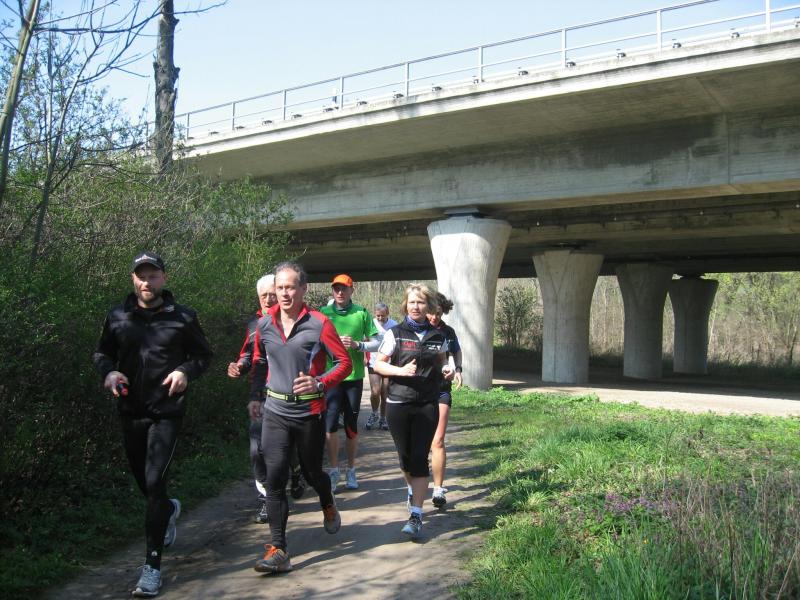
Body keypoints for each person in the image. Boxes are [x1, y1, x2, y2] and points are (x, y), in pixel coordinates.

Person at [92, 252, 213, 597]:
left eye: (153, 275)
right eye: (141, 276)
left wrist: (184, 371)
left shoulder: (183, 317)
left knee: (155, 482)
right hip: (130, 412)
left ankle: (152, 568)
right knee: (146, 485)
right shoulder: (117, 316)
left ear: (164, 278)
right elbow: (102, 353)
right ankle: (169, 509)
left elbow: (203, 356)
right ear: (134, 279)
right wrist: (109, 372)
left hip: (166, 413)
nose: (147, 282)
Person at [248, 261, 352, 574]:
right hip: (275, 412)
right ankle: (279, 548)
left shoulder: (319, 323)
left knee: (311, 472)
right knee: (275, 477)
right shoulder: (264, 324)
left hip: (309, 413)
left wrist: (320, 383)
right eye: (280, 288)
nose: (284, 293)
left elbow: (344, 363)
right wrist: (255, 396)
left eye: (290, 287)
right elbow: (259, 362)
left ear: (303, 289)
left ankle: (327, 500)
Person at [373, 283, 454, 539]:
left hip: (427, 403)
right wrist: (400, 371)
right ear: (405, 305)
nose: (415, 307)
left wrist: (447, 370)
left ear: (428, 306)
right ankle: (412, 490)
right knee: (405, 458)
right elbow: (379, 365)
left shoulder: (438, 336)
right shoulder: (395, 333)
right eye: (411, 302)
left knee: (420, 457)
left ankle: (416, 515)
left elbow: (442, 361)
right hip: (398, 403)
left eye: (420, 302)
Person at [227, 275, 305, 525]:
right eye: (265, 295)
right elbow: (248, 355)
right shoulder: (255, 325)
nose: (270, 299)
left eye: (274, 293)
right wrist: (239, 366)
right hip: (261, 396)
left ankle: (296, 471)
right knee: (257, 450)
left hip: (290, 395)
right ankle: (266, 499)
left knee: (289, 447)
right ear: (259, 298)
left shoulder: (295, 321)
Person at [320, 274, 379, 492]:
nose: (340, 292)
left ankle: (351, 470)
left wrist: (357, 345)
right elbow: (312, 342)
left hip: (353, 378)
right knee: (329, 426)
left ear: (352, 290)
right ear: (332, 291)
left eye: (344, 288)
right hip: (330, 378)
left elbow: (377, 343)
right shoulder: (323, 313)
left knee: (351, 426)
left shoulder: (361, 313)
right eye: (336, 288)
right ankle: (334, 470)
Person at [427, 292, 463, 509]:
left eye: (439, 313)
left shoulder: (448, 332)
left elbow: (456, 351)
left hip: (441, 389)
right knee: (421, 441)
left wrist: (458, 369)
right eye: (431, 312)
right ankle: (417, 483)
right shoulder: (415, 330)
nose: (434, 317)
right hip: (419, 392)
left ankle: (438, 489)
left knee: (438, 440)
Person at [366, 302, 397, 431]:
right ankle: (374, 413)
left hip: (388, 363)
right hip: (373, 362)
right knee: (375, 391)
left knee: (385, 393)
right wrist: (364, 357)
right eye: (378, 315)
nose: (380, 318)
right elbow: (365, 340)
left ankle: (383, 418)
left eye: (382, 316)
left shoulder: (394, 325)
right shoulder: (371, 324)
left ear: (387, 314)